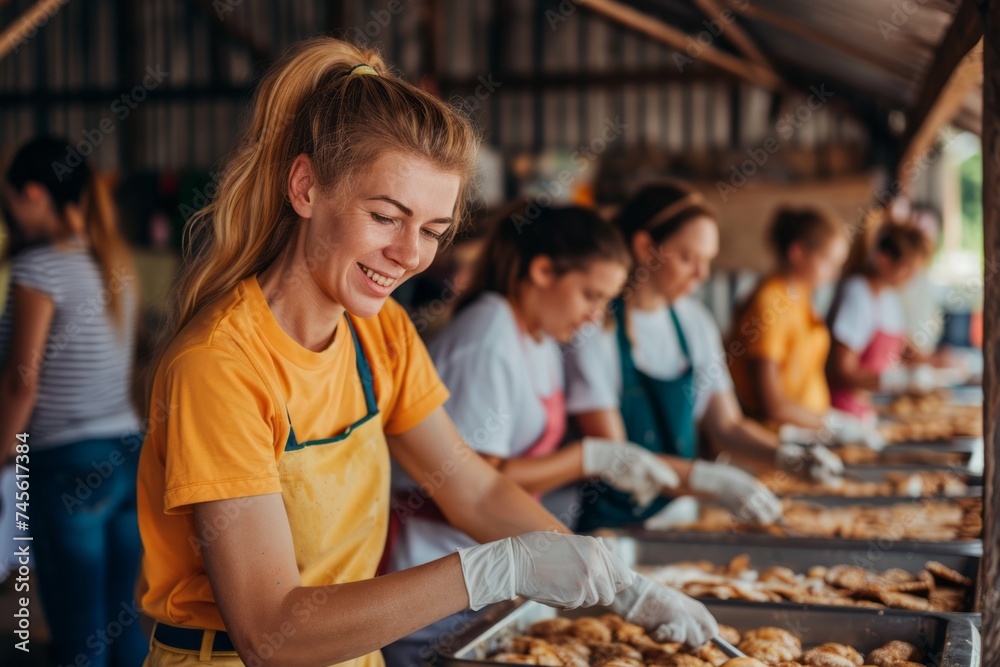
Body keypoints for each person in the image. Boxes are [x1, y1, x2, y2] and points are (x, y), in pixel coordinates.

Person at [135, 39, 717, 667]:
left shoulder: (378, 333)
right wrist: (491, 570)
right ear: (305, 188)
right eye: (386, 216)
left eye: (434, 232)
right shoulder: (222, 366)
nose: (411, 255)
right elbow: (272, 632)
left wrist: (620, 585)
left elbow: (474, 491)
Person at [385, 204, 703, 666]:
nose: (595, 317)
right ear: (542, 271)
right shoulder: (487, 335)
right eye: (590, 295)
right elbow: (477, 480)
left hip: (489, 576)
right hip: (435, 575)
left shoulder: (540, 338)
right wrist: (587, 458)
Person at [563, 183, 823, 535]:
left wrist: (785, 455)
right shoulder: (595, 328)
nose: (702, 275)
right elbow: (616, 457)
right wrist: (714, 481)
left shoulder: (694, 322)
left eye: (707, 261)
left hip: (677, 516)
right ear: (645, 248)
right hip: (608, 529)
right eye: (688, 259)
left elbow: (726, 425)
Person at [0, 136, 145, 667]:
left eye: (10, 200)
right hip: (126, 454)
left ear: (33, 195)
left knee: (80, 635)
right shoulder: (113, 261)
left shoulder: (39, 270)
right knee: (120, 621)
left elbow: (21, 381)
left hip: (66, 463)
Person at [729, 206, 853, 433]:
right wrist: (834, 425)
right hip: (778, 437)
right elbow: (773, 405)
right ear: (798, 253)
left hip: (810, 429)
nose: (834, 274)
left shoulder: (801, 294)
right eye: (828, 262)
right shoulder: (769, 304)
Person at [826, 222, 933, 418]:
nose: (910, 278)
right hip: (843, 411)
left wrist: (938, 363)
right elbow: (841, 369)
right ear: (884, 260)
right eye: (907, 269)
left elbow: (906, 350)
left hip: (868, 408)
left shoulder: (888, 298)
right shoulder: (857, 293)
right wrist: (894, 381)